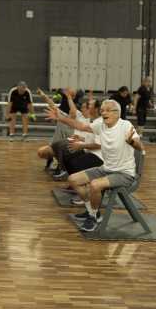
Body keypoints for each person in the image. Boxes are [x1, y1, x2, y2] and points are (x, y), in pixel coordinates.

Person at [46, 98, 143, 233]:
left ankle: (93, 217)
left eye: (108, 110)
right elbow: (81, 126)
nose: (104, 113)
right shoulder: (101, 125)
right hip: (106, 168)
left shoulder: (125, 125)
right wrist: (61, 118)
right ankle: (93, 212)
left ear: (117, 113)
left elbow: (140, 146)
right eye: (102, 110)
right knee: (73, 179)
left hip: (124, 174)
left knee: (95, 185)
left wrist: (131, 142)